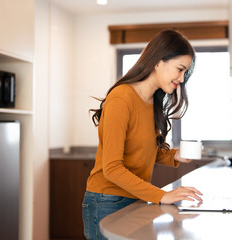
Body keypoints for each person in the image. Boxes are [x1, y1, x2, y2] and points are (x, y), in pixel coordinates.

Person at [82, 29, 203, 240]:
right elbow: (112, 168)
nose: (182, 79)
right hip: (107, 201)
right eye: (180, 69)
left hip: (134, 198)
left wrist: (173, 155)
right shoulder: (122, 98)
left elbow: (140, 151)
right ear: (158, 61)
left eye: (185, 73)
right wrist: (162, 195)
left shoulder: (151, 102)